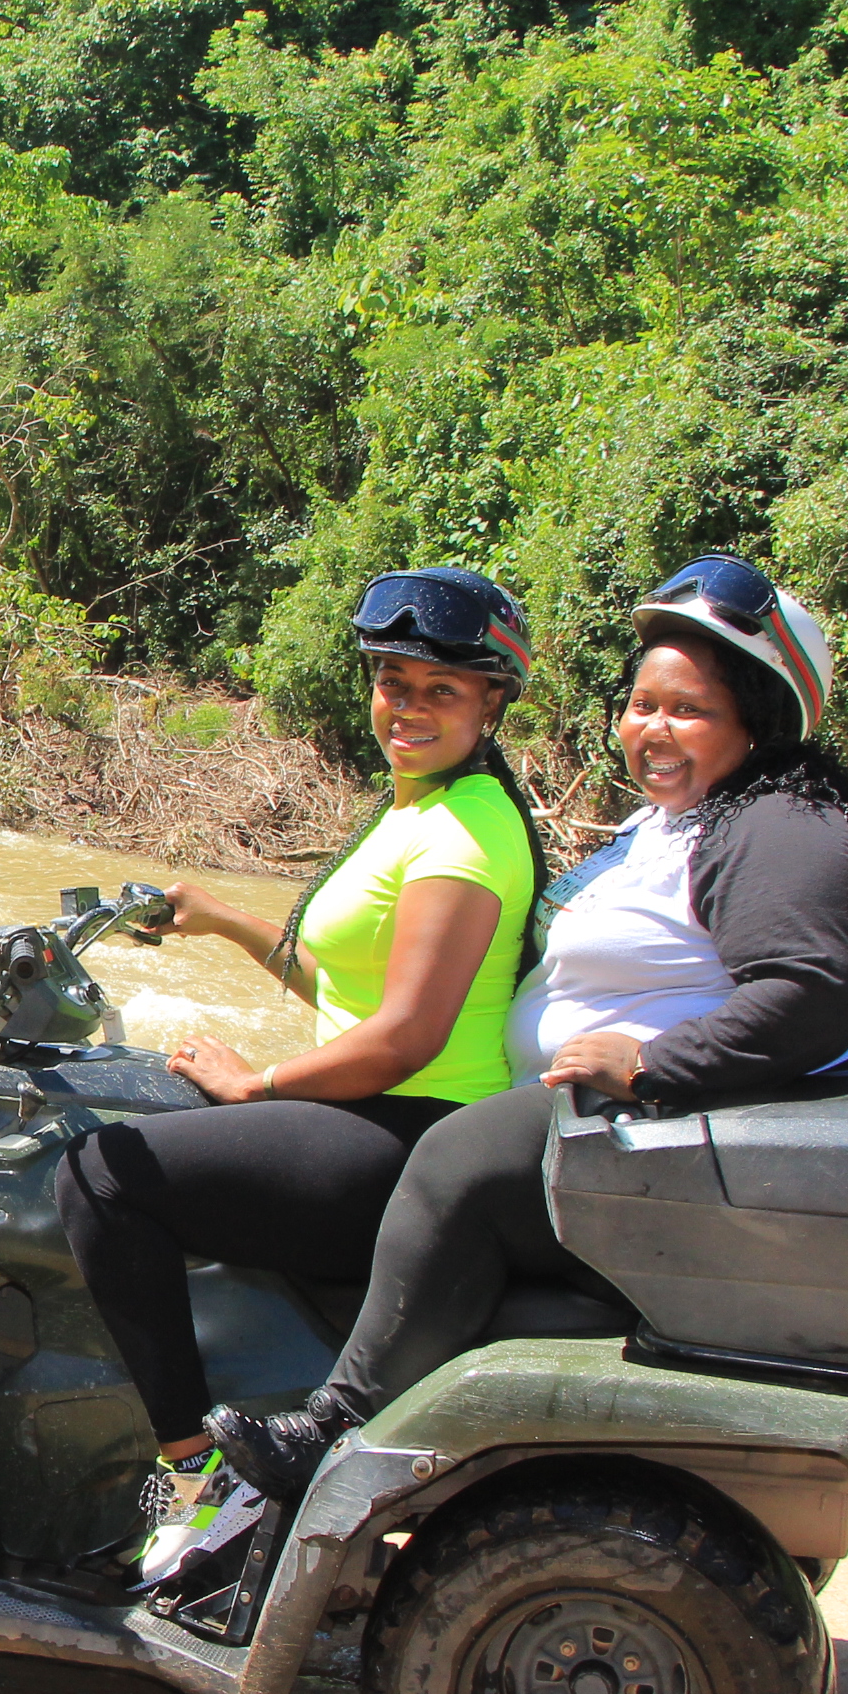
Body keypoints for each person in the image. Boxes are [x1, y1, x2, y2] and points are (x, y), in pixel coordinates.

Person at [205, 553, 848, 1504]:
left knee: (464, 1154)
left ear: (760, 723)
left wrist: (655, 1061)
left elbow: (820, 987)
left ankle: (331, 1431)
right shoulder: (679, 819)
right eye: (642, 703)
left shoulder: (785, 823)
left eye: (688, 711)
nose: (652, 729)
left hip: (650, 1146)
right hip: (610, 1134)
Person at [54, 567, 546, 1586]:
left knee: (101, 1174)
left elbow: (406, 1034)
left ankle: (194, 1482)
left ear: (492, 701)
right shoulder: (422, 807)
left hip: (410, 1134)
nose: (407, 708)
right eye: (393, 681)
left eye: (440, 690)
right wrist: (229, 922)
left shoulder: (464, 833)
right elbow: (352, 992)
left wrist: (258, 1086)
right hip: (383, 1108)